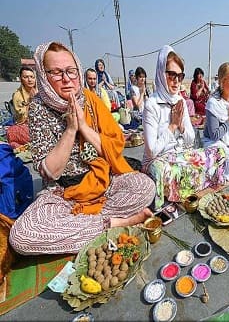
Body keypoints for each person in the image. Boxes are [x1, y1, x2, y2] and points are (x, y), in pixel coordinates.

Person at [10, 41, 154, 255]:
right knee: (21, 236)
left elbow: (114, 147)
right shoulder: (39, 108)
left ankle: (84, 227)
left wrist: (85, 128)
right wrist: (71, 130)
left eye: (71, 71)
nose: (67, 79)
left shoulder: (89, 99)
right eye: (57, 73)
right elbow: (51, 172)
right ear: (44, 75)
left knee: (146, 186)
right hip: (64, 194)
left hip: (102, 182)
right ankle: (116, 223)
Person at [142, 46, 227, 209]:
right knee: (165, 171)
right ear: (161, 73)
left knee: (219, 153)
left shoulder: (180, 100)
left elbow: (189, 141)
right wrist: (172, 125)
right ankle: (173, 196)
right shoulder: (151, 104)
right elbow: (151, 151)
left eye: (180, 76)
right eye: (171, 75)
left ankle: (186, 188)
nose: (176, 81)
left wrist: (181, 126)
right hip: (157, 161)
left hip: (179, 156)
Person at [7, 67, 35, 148]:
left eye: (32, 77)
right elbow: (23, 117)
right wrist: (32, 101)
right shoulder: (17, 95)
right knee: (11, 132)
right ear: (21, 79)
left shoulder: (41, 92)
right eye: (26, 77)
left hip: (44, 122)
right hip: (26, 124)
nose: (30, 80)